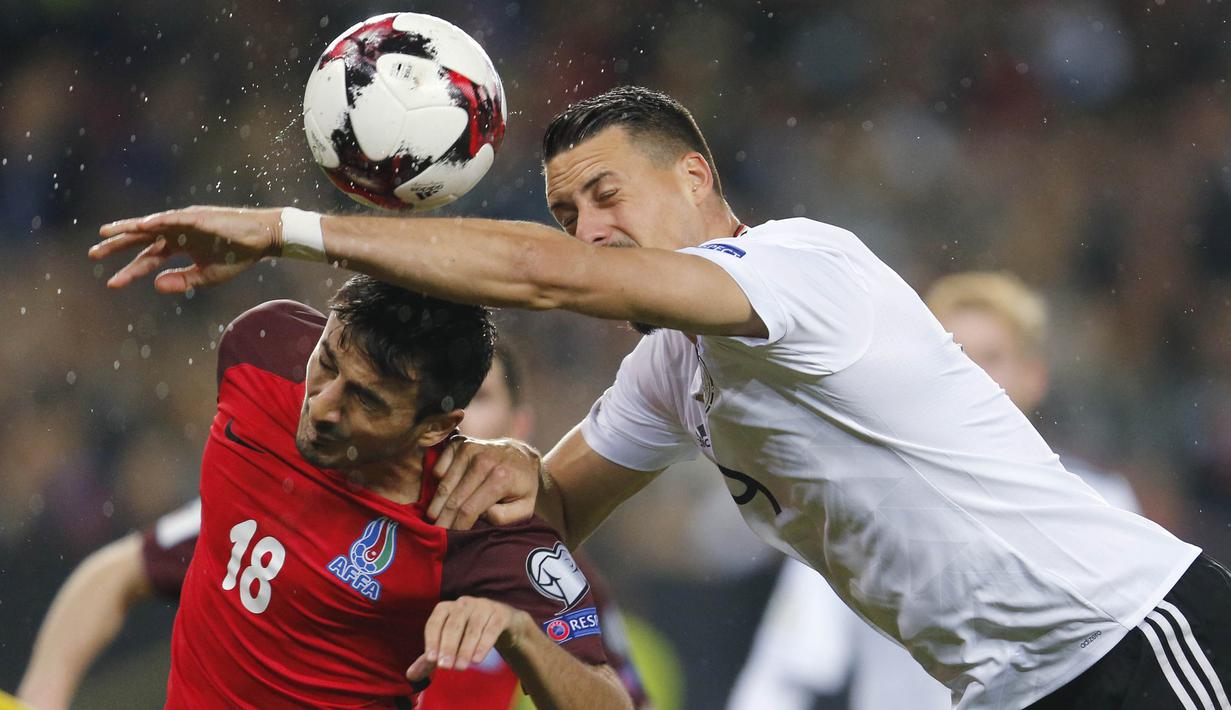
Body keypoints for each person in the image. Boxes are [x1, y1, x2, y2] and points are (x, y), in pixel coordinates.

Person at [91, 86, 1230, 709]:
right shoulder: (674, 370)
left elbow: (551, 281)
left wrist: (288, 230)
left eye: (606, 194)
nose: (588, 230)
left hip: (1124, 631)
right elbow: (544, 511)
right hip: (1005, 686)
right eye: (569, 210)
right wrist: (467, 479)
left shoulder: (799, 269)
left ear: (696, 180)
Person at [50, 275, 631, 708]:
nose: (321, 407)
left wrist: (519, 633)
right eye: (326, 363)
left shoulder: (475, 527)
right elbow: (121, 571)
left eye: (367, 401)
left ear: (434, 426)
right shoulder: (261, 348)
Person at [729, 271, 1142, 710]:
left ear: (1034, 376)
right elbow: (783, 679)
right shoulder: (852, 504)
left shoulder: (1100, 505)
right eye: (956, 355)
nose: (975, 375)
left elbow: (1131, 665)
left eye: (992, 356)